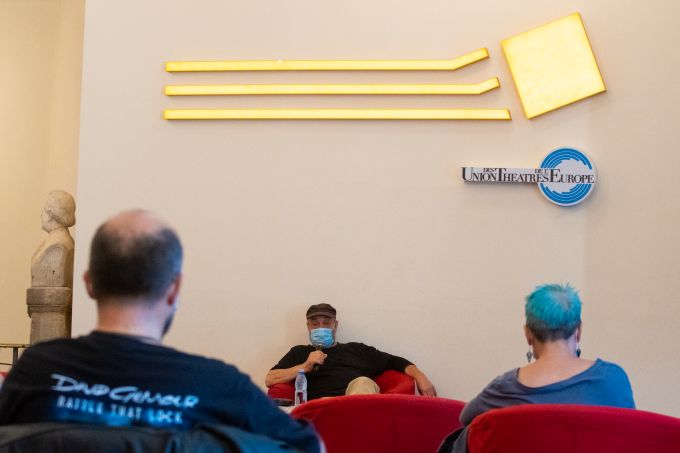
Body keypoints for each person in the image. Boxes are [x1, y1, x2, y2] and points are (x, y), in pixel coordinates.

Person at [0, 210, 321, 453]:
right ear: (174, 289)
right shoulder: (220, 385)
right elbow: (310, 448)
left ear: (89, 284)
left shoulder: (36, 370)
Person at [440, 284, 635, 453]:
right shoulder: (612, 379)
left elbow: (465, 418)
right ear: (579, 331)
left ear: (528, 334)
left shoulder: (502, 389)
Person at [265, 303, 436, 400]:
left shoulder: (356, 350)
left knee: (362, 382)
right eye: (315, 323)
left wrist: (421, 378)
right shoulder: (299, 353)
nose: (320, 327)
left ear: (335, 325)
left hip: (355, 405)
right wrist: (305, 366)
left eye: (326, 322)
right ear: (308, 326)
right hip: (321, 409)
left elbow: (395, 362)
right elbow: (270, 378)